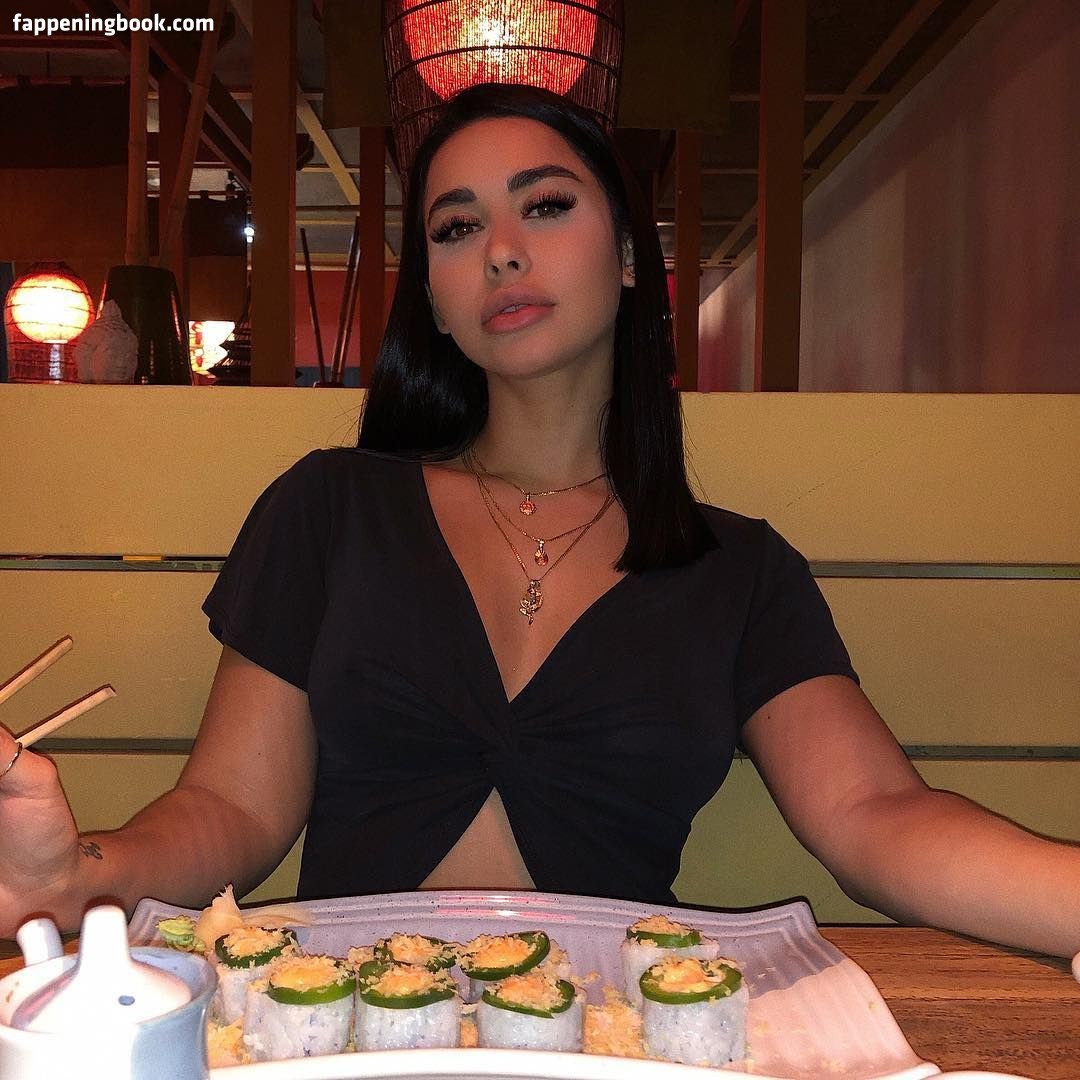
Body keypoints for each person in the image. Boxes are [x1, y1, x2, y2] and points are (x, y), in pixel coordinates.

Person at [1, 84, 1077, 958]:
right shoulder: (332, 508)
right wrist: (74, 880)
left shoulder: (740, 570)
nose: (502, 251)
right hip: (342, 1026)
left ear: (627, 255)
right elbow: (231, 812)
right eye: (457, 227)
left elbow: (878, 818)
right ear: (435, 295)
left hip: (616, 1031)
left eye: (546, 206)